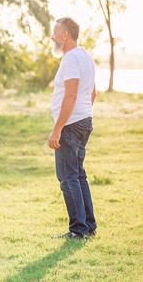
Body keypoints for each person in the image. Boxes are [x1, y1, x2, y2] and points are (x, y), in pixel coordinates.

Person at [49, 17, 97, 239]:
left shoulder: (70, 58)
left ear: (65, 35)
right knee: (78, 175)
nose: (52, 37)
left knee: (68, 177)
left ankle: (78, 230)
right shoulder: (86, 56)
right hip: (84, 122)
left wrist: (58, 128)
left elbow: (71, 95)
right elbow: (92, 94)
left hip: (71, 126)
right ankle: (89, 226)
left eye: (55, 33)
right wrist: (81, 115)